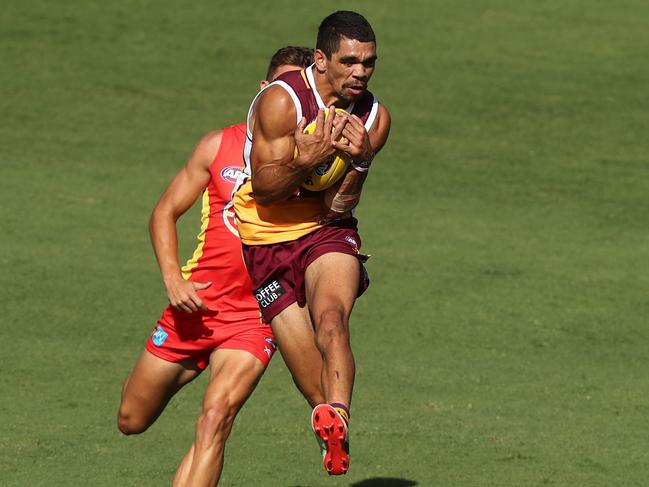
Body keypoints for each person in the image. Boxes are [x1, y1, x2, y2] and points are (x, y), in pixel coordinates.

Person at [117, 47, 318, 487]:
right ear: (264, 93)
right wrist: (173, 278)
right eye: (285, 90)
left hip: (256, 319)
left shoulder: (313, 168)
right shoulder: (218, 146)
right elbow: (164, 211)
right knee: (131, 418)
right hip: (197, 309)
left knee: (215, 418)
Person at [233, 11, 391, 476]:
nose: (361, 72)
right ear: (320, 59)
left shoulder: (374, 117)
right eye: (349, 61)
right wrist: (310, 160)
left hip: (325, 230)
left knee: (332, 320)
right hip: (266, 237)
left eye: (369, 62)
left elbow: (339, 208)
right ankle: (328, 418)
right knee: (311, 381)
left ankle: (341, 413)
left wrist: (361, 163)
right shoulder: (281, 104)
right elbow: (264, 190)